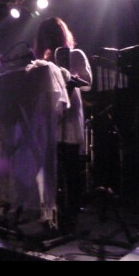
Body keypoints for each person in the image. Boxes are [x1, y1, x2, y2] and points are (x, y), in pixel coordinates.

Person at [35, 16, 92, 231]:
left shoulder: (75, 54)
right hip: (51, 118)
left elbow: (88, 83)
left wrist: (69, 76)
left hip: (69, 117)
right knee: (52, 171)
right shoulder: (43, 60)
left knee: (70, 169)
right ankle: (53, 215)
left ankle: (71, 217)